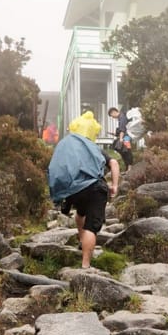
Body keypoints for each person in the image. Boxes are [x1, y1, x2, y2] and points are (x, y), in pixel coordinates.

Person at [48, 115, 119, 269]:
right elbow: (114, 163)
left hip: (74, 189)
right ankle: (85, 265)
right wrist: (114, 185)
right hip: (94, 188)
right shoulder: (94, 148)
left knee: (80, 213)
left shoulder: (66, 146)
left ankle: (82, 241)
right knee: (91, 226)